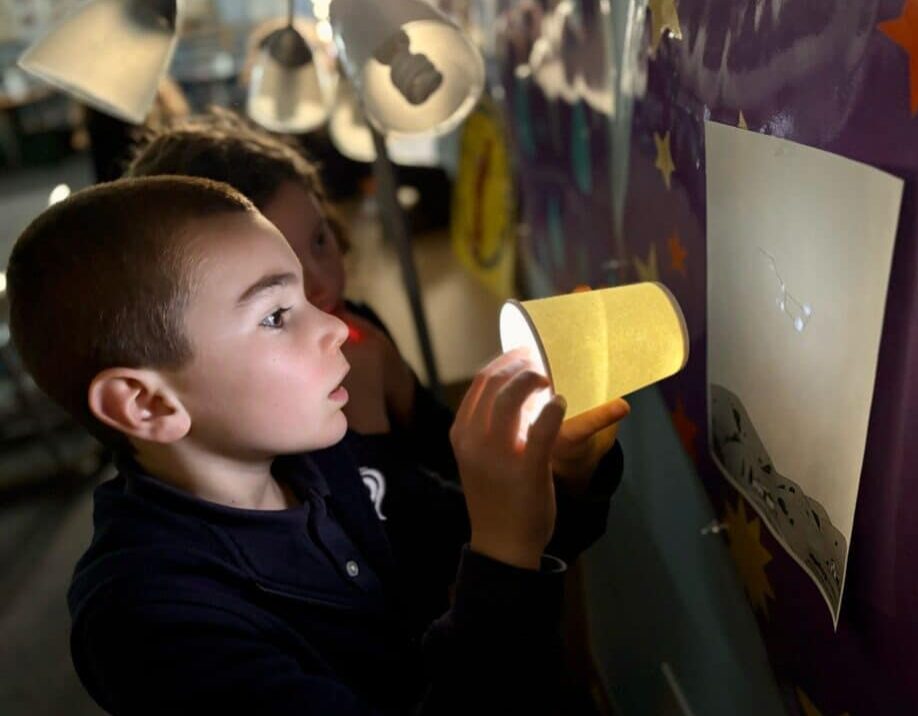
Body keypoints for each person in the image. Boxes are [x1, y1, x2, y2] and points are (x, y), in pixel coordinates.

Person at [5, 176, 629, 714]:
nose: (333, 327)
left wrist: (562, 475)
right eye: (276, 315)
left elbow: (476, 539)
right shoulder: (147, 621)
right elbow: (499, 558)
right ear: (147, 404)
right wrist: (503, 552)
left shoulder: (323, 460)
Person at [127, 109, 457, 479]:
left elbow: (451, 459)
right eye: (275, 298)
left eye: (319, 240)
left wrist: (396, 381)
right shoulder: (242, 433)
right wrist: (366, 433)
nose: (321, 284)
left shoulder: (358, 327)